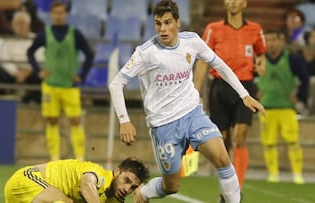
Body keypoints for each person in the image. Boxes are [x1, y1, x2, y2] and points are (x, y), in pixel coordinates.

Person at [108, 1, 265, 203]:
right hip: (164, 125)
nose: (163, 29)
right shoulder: (145, 53)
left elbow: (218, 64)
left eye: (167, 22)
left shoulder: (192, 41)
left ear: (178, 22)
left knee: (223, 159)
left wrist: (244, 95)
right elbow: (116, 84)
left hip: (192, 114)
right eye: (158, 24)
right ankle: (145, 192)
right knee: (171, 185)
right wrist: (124, 120)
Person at [194, 0, 267, 192]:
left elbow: (261, 55)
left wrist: (261, 66)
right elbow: (202, 62)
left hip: (245, 89)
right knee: (222, 141)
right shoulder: (213, 29)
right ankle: (226, 188)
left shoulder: (255, 29)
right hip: (220, 88)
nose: (232, 2)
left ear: (245, 3)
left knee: (240, 136)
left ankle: (238, 190)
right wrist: (195, 91)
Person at [27, 0, 94, 161]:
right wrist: (38, 71)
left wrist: (82, 75)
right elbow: (30, 52)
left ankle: (79, 159)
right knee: (52, 121)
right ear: (51, 14)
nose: (58, 16)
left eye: (61, 12)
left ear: (66, 14)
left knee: (75, 120)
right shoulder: (45, 33)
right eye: (55, 13)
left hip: (70, 86)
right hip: (50, 85)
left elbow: (89, 54)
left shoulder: (75, 33)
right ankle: (54, 159)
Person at [256, 30, 308, 184]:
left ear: (281, 41)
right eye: (268, 40)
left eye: (274, 40)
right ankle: (273, 174)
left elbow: (305, 78)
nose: (271, 43)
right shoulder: (260, 59)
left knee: (293, 141)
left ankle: (297, 174)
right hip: (266, 108)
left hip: (287, 107)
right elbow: (248, 76)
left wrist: (299, 96)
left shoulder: (292, 59)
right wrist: (253, 93)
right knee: (269, 143)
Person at [4, 157, 150, 203]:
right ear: (117, 171)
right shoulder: (100, 175)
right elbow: (87, 183)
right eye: (126, 180)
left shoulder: (115, 199)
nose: (127, 189)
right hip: (27, 179)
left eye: (132, 187)